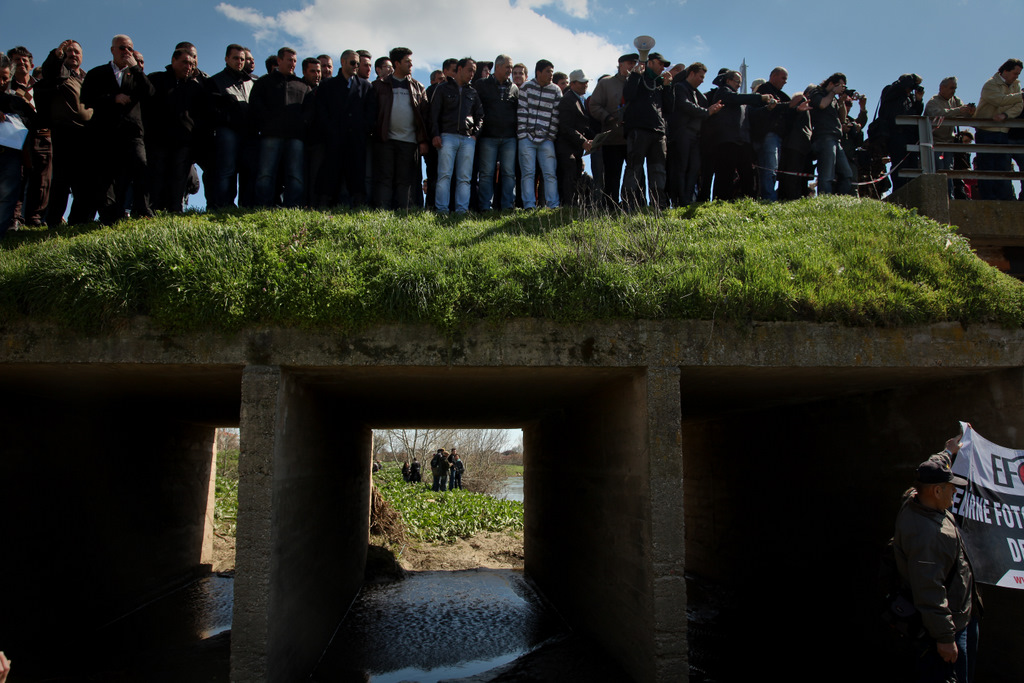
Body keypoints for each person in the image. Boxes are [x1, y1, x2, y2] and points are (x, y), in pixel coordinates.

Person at [894, 436, 981, 683]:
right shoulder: (927, 537)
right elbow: (929, 591)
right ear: (936, 490)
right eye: (951, 486)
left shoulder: (915, 497)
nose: (954, 491)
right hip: (951, 627)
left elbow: (932, 465)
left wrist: (948, 451)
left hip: (962, 614)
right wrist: (945, 639)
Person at [80, 34, 154, 224]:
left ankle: (143, 209)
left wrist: (136, 68)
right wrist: (112, 98)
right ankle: (110, 216)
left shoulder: (136, 74)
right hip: (105, 132)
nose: (126, 52)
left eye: (129, 48)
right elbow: (86, 98)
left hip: (132, 131)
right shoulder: (97, 73)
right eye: (122, 48)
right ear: (112, 50)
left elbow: (150, 93)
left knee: (140, 165)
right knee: (107, 175)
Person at [38, 39, 93, 226]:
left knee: (84, 180)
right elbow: (49, 71)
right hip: (65, 132)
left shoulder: (87, 77)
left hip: (86, 135)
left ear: (82, 55)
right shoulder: (61, 74)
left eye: (77, 51)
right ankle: (53, 221)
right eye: (69, 52)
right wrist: (57, 54)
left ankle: (77, 221)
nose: (73, 54)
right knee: (62, 180)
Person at [249, 47, 312, 208]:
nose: (292, 64)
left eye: (295, 61)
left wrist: (300, 123)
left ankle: (293, 207)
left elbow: (309, 109)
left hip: (296, 137)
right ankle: (263, 206)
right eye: (289, 60)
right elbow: (256, 105)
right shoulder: (264, 82)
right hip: (271, 134)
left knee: (295, 175)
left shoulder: (302, 85)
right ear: (279, 60)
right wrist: (268, 122)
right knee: (266, 173)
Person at [370, 47, 429, 210]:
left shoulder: (418, 87)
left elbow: (424, 117)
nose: (411, 64)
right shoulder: (379, 85)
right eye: (407, 61)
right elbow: (373, 113)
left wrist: (423, 140)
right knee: (385, 178)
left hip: (409, 142)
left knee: (405, 180)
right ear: (397, 63)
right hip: (385, 139)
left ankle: (402, 212)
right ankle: (383, 211)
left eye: (411, 61)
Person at [666, 62, 723, 207]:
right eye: (700, 76)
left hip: (695, 136)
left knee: (694, 168)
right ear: (691, 73)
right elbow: (685, 106)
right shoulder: (679, 88)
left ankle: (688, 198)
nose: (702, 80)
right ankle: (679, 200)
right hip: (682, 134)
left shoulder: (698, 95)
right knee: (681, 167)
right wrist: (707, 112)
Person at [431, 57, 483, 214]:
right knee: (444, 175)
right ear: (459, 69)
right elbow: (434, 114)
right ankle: (442, 211)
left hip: (467, 138)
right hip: (447, 136)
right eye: (469, 70)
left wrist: (475, 136)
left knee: (465, 178)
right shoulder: (442, 89)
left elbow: (480, 115)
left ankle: (462, 211)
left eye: (474, 71)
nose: (472, 74)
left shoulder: (473, 92)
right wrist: (435, 134)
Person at [205, 44, 254, 210]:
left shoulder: (251, 82)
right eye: (235, 58)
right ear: (226, 59)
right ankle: (224, 204)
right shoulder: (215, 81)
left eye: (242, 59)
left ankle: (246, 205)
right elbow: (211, 109)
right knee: (227, 169)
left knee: (248, 169)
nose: (239, 62)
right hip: (227, 131)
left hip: (248, 132)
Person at [589, 53, 638, 209]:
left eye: (634, 63)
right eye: (629, 63)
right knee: (612, 174)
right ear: (620, 64)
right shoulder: (606, 83)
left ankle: (631, 204)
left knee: (634, 173)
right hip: (612, 137)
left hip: (633, 138)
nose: (632, 66)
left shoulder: (638, 82)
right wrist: (608, 118)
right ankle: (610, 205)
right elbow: (594, 105)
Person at [973, 58, 1023, 201]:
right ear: (1005, 71)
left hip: (1003, 132)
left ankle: (1004, 199)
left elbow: (1019, 106)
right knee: (987, 167)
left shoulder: (1015, 86)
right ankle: (988, 199)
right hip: (986, 131)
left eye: (1018, 74)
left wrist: (1006, 115)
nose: (1016, 77)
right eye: (1015, 73)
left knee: (1003, 168)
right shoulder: (990, 85)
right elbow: (1000, 100)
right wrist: (1021, 96)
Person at [476, 54, 519, 211]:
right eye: (507, 67)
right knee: (486, 174)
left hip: (509, 137)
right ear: (498, 67)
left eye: (511, 67)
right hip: (488, 136)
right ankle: (485, 207)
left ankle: (508, 206)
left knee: (509, 173)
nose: (510, 70)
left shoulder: (514, 88)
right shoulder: (481, 85)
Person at [517, 59, 561, 209]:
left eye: (552, 72)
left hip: (546, 139)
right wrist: (523, 134)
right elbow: (522, 112)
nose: (551, 75)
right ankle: (529, 205)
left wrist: (550, 136)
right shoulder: (526, 87)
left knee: (550, 173)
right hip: (526, 138)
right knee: (528, 173)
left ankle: (553, 205)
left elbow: (555, 116)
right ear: (539, 72)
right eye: (548, 71)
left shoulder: (555, 90)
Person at [809, 72, 854, 195]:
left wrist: (841, 102)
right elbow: (822, 104)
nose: (841, 88)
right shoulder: (817, 92)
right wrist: (833, 92)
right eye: (839, 85)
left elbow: (843, 119)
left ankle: (841, 201)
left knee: (847, 174)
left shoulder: (833, 99)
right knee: (827, 174)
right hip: (824, 137)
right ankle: (825, 201)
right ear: (831, 83)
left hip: (836, 138)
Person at [555, 69, 593, 207]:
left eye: (586, 82)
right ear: (573, 84)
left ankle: (572, 206)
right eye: (582, 82)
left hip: (574, 149)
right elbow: (565, 127)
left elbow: (583, 126)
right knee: (569, 177)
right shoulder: (568, 100)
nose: (586, 85)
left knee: (574, 177)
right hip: (566, 149)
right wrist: (583, 141)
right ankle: (568, 206)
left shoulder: (578, 99)